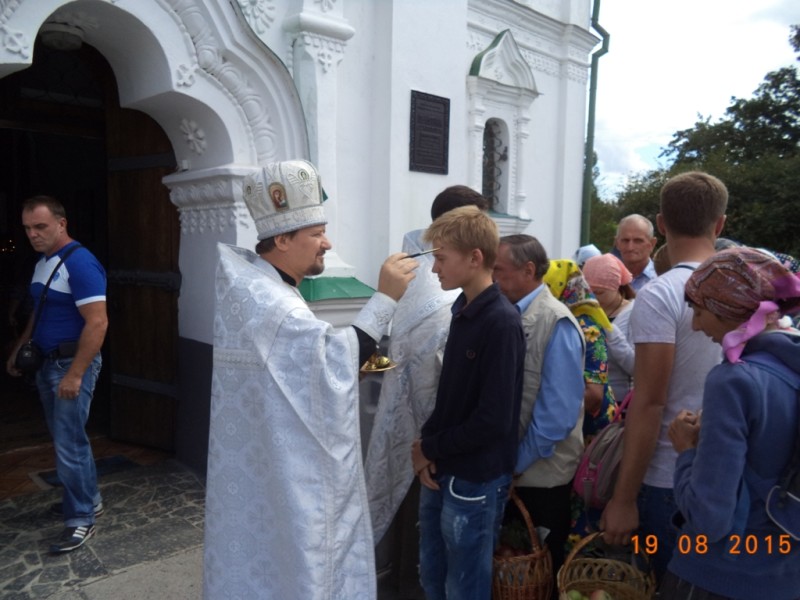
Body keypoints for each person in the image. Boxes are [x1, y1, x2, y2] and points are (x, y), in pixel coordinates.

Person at [204, 160, 418, 600]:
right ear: (282, 239)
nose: (327, 243)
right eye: (317, 234)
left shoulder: (259, 284)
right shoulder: (270, 299)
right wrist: (386, 298)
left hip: (261, 457)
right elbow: (330, 362)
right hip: (282, 465)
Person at [601, 171, 728, 582]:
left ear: (661, 225)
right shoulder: (746, 286)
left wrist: (623, 498)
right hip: (731, 468)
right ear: (720, 224)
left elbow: (651, 400)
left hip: (667, 477)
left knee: (666, 583)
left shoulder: (662, 292)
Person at [661, 247, 800, 600]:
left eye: (699, 310)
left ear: (731, 309)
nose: (695, 324)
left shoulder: (733, 381)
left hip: (718, 575)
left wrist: (687, 452)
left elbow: (709, 518)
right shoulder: (789, 368)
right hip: (783, 573)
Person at [411, 206, 525, 600]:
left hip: (474, 479)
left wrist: (430, 447)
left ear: (475, 258)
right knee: (433, 575)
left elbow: (492, 419)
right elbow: (451, 396)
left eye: (441, 259)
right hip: (444, 468)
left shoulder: (501, 321)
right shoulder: (462, 310)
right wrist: (427, 447)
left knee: (465, 587)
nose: (434, 269)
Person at [364, 185, 489, 543]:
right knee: (429, 531)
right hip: (439, 438)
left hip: (431, 433)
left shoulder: (416, 263)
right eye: (475, 222)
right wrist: (430, 445)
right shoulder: (442, 279)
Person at [5, 195, 108, 553]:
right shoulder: (43, 263)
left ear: (61, 224)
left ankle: (80, 519)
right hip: (48, 364)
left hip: (69, 365)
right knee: (67, 440)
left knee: (69, 444)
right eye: (28, 228)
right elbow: (39, 312)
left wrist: (76, 374)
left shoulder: (80, 264)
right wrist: (20, 347)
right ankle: (87, 498)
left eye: (41, 227)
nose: (33, 234)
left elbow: (98, 322)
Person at [493, 234, 585, 592]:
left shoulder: (555, 321)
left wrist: (515, 463)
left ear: (528, 270)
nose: (492, 278)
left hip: (539, 475)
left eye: (498, 270)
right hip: (516, 472)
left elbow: (557, 416)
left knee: (537, 577)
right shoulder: (512, 314)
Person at [543, 259, 615, 439]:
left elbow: (594, 395)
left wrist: (549, 409)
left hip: (589, 430)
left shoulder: (588, 328)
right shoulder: (553, 320)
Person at [582, 253, 636, 403]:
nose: (594, 298)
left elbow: (636, 367)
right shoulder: (586, 311)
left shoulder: (634, 313)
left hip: (620, 404)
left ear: (617, 287)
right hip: (589, 400)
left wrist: (611, 332)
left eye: (600, 292)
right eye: (589, 292)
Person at [615, 214, 658, 291]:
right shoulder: (607, 278)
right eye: (625, 240)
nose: (630, 247)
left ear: (652, 244)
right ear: (617, 243)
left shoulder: (662, 279)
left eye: (638, 241)